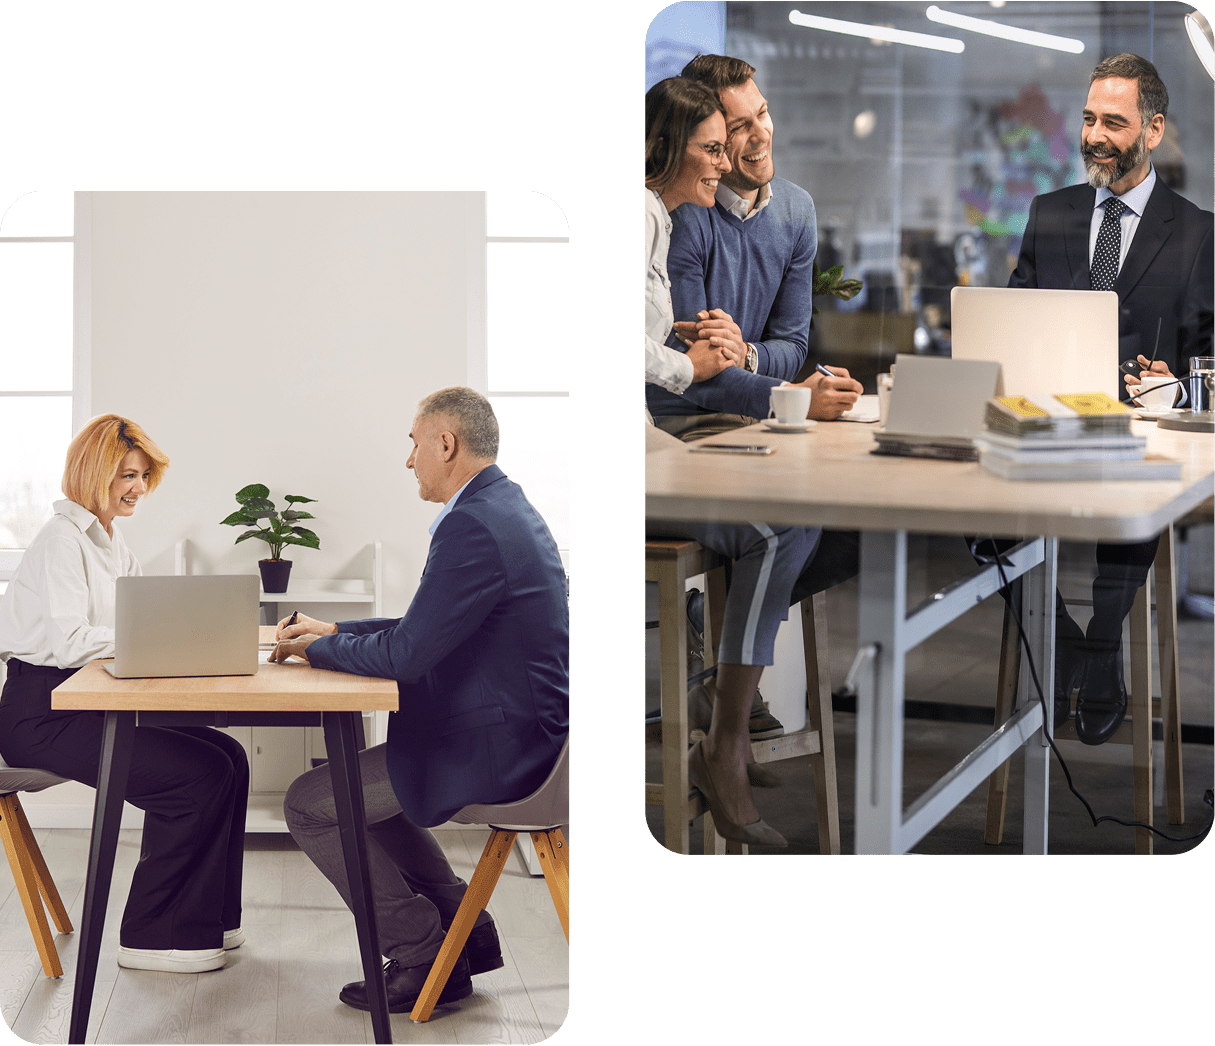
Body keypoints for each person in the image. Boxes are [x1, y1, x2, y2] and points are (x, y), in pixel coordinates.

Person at [271, 387, 568, 1014]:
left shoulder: (472, 525)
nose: (409, 459)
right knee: (365, 795)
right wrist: (335, 633)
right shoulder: (503, 506)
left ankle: (420, 951)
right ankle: (463, 933)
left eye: (413, 442)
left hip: (505, 750)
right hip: (524, 731)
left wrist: (312, 652)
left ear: (446, 443)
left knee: (310, 804)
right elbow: (426, 629)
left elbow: (408, 656)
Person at [1007, 53, 1214, 744]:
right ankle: (1078, 645)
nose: (1095, 135)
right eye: (1089, 118)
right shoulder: (1049, 213)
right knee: (976, 511)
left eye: (1114, 122)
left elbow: (1211, 363)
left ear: (1152, 130)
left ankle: (1096, 643)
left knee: (1129, 507)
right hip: (1046, 427)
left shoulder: (1196, 233)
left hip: (1138, 439)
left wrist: (1176, 384)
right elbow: (1008, 326)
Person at [0, 415, 248, 973]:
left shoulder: (110, 540)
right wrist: (160, 636)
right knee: (196, 776)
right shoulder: (62, 541)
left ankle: (211, 919)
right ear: (94, 474)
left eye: (141, 476)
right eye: (126, 476)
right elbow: (68, 641)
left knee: (228, 758)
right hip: (41, 715)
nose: (138, 488)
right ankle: (154, 935)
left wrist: (190, 633)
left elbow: (144, 612)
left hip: (88, 702)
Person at [646, 75, 822, 846]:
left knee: (820, 515)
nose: (735, 153)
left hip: (697, 424)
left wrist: (740, 359)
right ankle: (724, 736)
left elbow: (786, 345)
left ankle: (729, 693)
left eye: (753, 123)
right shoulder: (664, 219)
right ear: (673, 145)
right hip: (658, 437)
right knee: (782, 528)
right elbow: (671, 359)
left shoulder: (673, 213)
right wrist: (708, 368)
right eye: (716, 142)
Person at [647, 53, 864, 439]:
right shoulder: (680, 211)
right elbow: (696, 372)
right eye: (739, 127)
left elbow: (794, 344)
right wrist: (795, 398)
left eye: (762, 114)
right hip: (684, 422)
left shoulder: (797, 209)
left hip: (760, 415)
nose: (761, 134)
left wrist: (748, 353)